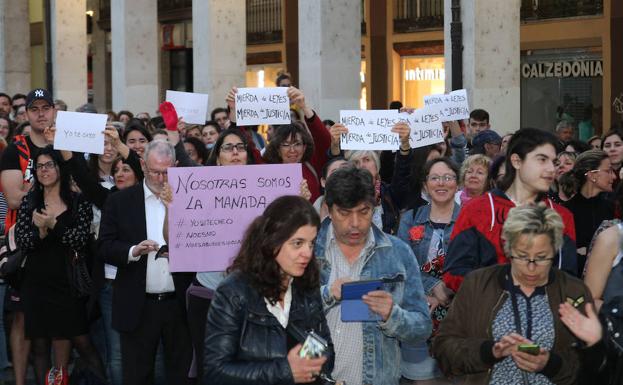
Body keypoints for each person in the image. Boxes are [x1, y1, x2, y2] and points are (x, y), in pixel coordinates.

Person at [433, 203, 594, 385]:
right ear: (507, 249)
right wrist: (490, 351)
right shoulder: (478, 284)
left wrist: (551, 364)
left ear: (555, 250)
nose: (531, 268)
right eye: (522, 256)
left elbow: (593, 362)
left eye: (542, 257)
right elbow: (443, 348)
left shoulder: (574, 291)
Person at [314, 166, 431, 385]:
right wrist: (327, 294)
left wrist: (392, 316)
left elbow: (422, 327)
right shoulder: (307, 251)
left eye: (364, 211)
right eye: (345, 213)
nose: (355, 223)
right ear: (329, 209)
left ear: (375, 207)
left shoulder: (398, 253)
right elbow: (282, 314)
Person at [203, 196, 335, 384]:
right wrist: (286, 372)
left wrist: (307, 366)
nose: (307, 253)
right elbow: (215, 372)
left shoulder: (307, 286)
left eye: (311, 243)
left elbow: (325, 349)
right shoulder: (233, 292)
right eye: (298, 243)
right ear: (273, 241)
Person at [98, 140, 193, 385]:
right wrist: (133, 251)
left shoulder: (192, 199)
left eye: (167, 171)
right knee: (136, 375)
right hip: (137, 305)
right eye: (154, 171)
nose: (161, 178)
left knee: (181, 375)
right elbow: (104, 246)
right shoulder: (120, 201)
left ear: (177, 166)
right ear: (142, 165)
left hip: (180, 304)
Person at [443, 128, 578, 292]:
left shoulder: (562, 216)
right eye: (542, 160)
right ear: (516, 161)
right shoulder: (476, 210)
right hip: (486, 312)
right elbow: (454, 273)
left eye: (554, 162)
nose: (551, 169)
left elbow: (566, 278)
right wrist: (502, 290)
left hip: (543, 314)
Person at [15, 146, 105, 384]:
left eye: (50, 165)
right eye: (40, 166)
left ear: (60, 168)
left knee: (83, 343)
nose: (44, 170)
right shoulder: (30, 201)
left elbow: (79, 239)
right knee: (40, 345)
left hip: (68, 284)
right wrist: (42, 232)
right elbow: (24, 241)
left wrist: (54, 225)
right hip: (36, 282)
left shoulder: (78, 201)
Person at [0, 88, 56, 385]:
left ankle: (56, 378)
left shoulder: (64, 145)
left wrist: (32, 189)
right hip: (23, 244)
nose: (40, 113)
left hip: (60, 240)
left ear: (54, 111)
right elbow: (12, 199)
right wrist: (50, 187)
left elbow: (78, 190)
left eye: (45, 107)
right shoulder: (15, 149)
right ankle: (20, 381)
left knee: (58, 318)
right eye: (33, 108)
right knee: (21, 317)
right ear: (26, 114)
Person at [397, 157, 460, 385]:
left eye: (447, 177)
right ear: (425, 185)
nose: (441, 183)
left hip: (458, 318)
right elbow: (401, 264)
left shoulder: (469, 220)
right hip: (418, 316)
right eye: (434, 178)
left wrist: (448, 291)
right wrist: (431, 288)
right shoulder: (410, 218)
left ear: (457, 183)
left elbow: (476, 267)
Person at [262, 87, 331, 202]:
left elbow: (324, 139)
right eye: (286, 144)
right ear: (278, 148)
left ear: (304, 147)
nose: (292, 150)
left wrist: (304, 107)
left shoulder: (312, 165)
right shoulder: (267, 170)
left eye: (297, 144)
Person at [563, 149, 616, 275]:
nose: (613, 176)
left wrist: (586, 252)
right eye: (608, 171)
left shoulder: (614, 208)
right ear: (592, 175)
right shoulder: (565, 212)